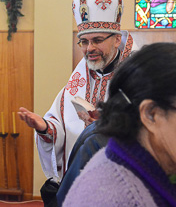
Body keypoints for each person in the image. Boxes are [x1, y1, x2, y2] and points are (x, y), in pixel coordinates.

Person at [18, 0, 137, 184]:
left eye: (97, 40)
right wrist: (45, 127)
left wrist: (106, 128)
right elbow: (60, 127)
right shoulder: (76, 82)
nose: (89, 48)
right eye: (83, 41)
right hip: (80, 183)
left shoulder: (137, 77)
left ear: (117, 39)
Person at [63, 42, 176, 206]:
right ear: (150, 114)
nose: (90, 47)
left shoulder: (142, 160)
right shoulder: (114, 198)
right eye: (85, 41)